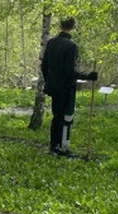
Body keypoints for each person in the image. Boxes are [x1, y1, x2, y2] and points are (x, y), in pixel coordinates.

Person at [40, 17, 97, 156]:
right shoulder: (71, 46)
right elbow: (69, 71)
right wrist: (88, 76)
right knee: (66, 117)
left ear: (60, 25)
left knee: (56, 117)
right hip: (65, 87)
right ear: (73, 27)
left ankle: (54, 146)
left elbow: (44, 66)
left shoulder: (51, 43)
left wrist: (49, 81)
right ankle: (63, 147)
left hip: (54, 86)